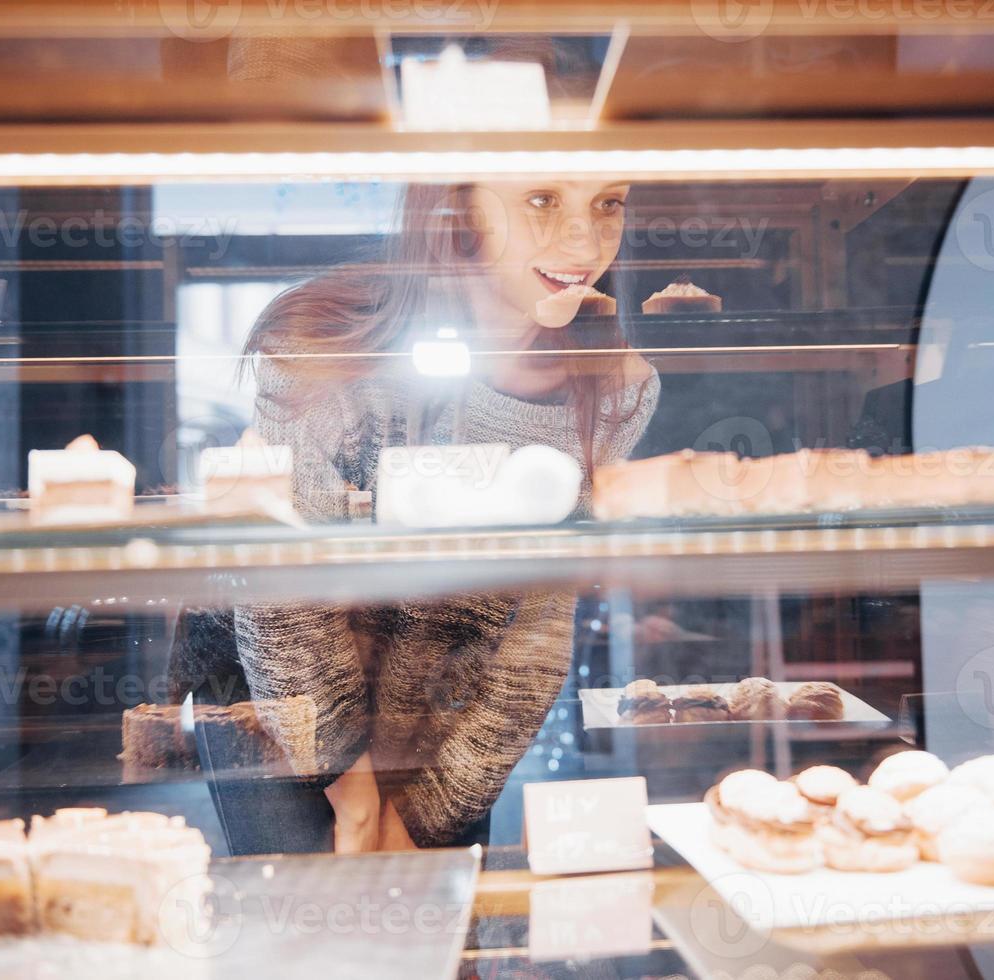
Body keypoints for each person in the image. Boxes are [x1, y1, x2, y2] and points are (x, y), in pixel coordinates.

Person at [172, 180, 659, 854]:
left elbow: (538, 632)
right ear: (457, 208)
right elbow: (279, 592)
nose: (583, 240)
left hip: (441, 714)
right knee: (310, 938)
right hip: (275, 703)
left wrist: (421, 817)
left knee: (434, 933)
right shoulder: (322, 339)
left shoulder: (615, 386)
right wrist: (360, 807)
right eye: (540, 200)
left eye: (608, 202)